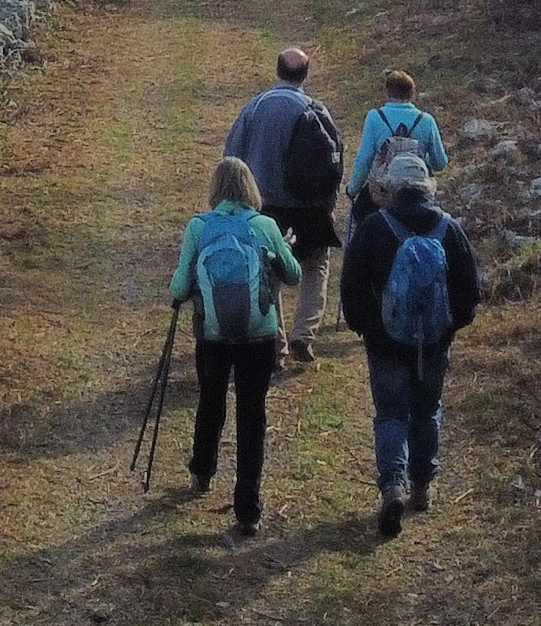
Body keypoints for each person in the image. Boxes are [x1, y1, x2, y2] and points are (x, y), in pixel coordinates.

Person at [340, 149, 480, 537]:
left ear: (391, 188)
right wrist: (450, 328)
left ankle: (392, 485)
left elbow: (351, 284)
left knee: (390, 414)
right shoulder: (449, 229)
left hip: (385, 341)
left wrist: (362, 325)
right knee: (427, 409)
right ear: (427, 187)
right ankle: (422, 484)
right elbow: (470, 290)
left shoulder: (373, 226)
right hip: (433, 341)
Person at [165, 156, 299, 538]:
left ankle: (202, 472)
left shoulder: (199, 227)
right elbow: (295, 275)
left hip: (212, 332)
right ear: (249, 188)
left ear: (215, 189)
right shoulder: (264, 225)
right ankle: (248, 510)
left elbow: (178, 288)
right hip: (258, 334)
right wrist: (276, 255)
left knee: (210, 400)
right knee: (252, 415)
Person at [221, 47, 344, 362]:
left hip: (267, 207)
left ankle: (276, 341)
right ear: (306, 74)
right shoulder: (316, 110)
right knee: (316, 266)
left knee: (268, 271)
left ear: (277, 71)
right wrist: (328, 204)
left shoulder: (255, 107)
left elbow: (232, 157)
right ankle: (304, 333)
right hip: (312, 208)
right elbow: (334, 162)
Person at [344, 70, 451, 229]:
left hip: (382, 192)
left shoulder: (375, 117)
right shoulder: (427, 120)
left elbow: (364, 158)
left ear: (386, 92)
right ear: (412, 92)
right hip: (418, 192)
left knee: (362, 222)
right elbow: (440, 163)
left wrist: (353, 189)